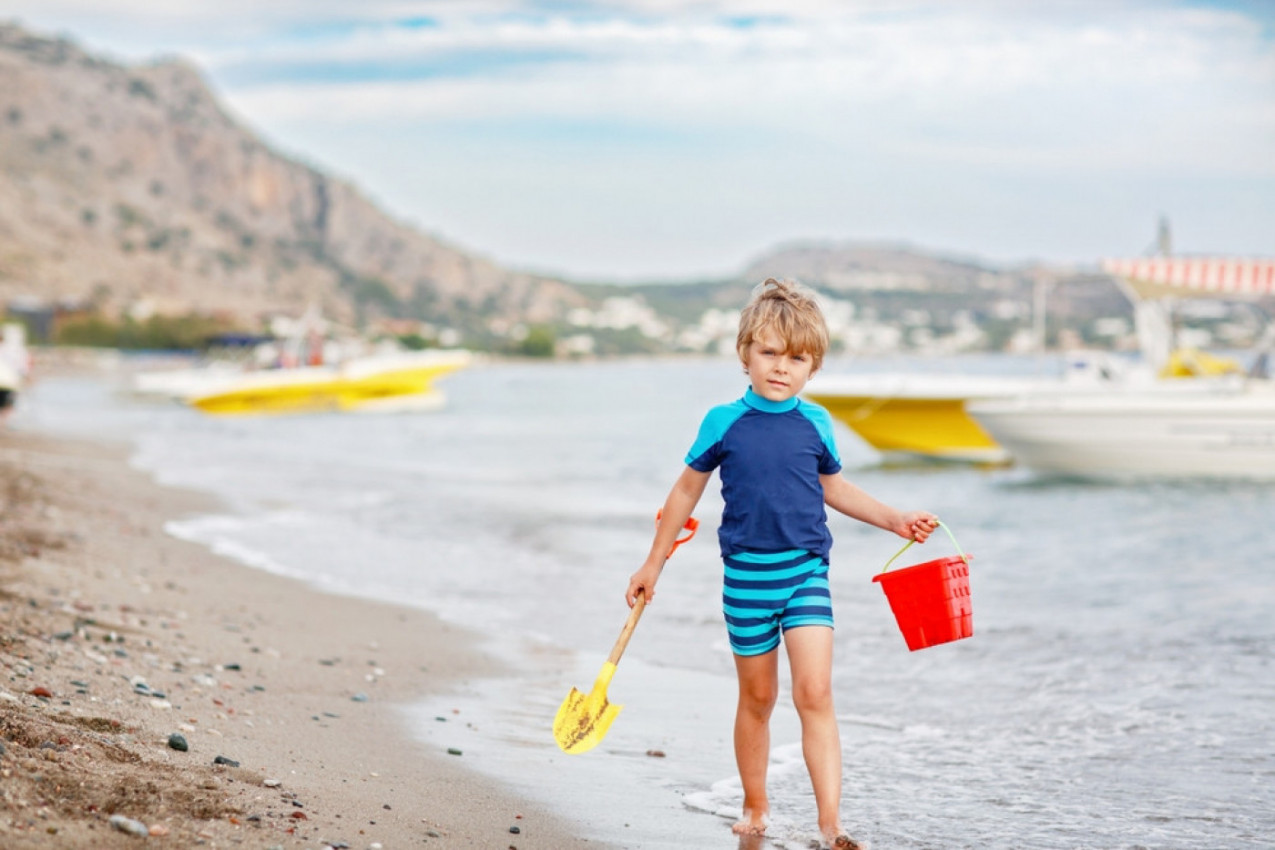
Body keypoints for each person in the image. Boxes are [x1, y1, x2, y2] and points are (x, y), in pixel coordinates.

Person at [626, 278, 938, 850]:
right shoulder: (723, 422)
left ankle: (831, 822)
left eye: (796, 358)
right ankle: (755, 803)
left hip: (805, 573)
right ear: (744, 352)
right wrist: (654, 563)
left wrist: (895, 519)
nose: (781, 367)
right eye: (769, 352)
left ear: (813, 367)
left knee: (814, 692)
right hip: (746, 579)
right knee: (759, 698)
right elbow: (686, 491)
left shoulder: (815, 422)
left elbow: (833, 488)